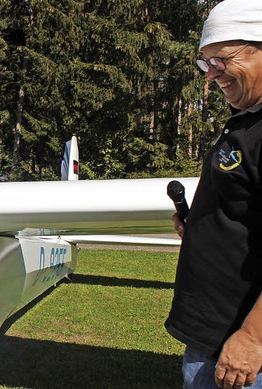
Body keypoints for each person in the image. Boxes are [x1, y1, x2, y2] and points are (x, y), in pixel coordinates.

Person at [166, 1, 262, 388]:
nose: (211, 75)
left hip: (241, 347)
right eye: (206, 64)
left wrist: (253, 338)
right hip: (214, 335)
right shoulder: (245, 121)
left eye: (221, 59)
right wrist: (204, 224)